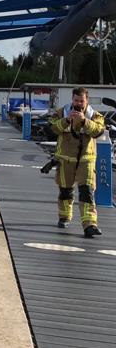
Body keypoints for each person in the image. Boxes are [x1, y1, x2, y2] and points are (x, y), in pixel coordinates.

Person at [49, 87, 105, 237]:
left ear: (86, 101)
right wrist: (67, 120)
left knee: (87, 192)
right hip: (66, 159)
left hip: (86, 159)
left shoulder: (95, 115)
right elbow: (53, 128)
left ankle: (90, 224)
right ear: (72, 100)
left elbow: (99, 131)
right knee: (65, 191)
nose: (79, 104)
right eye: (76, 100)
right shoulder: (62, 112)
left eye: (82, 101)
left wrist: (84, 121)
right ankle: (64, 217)